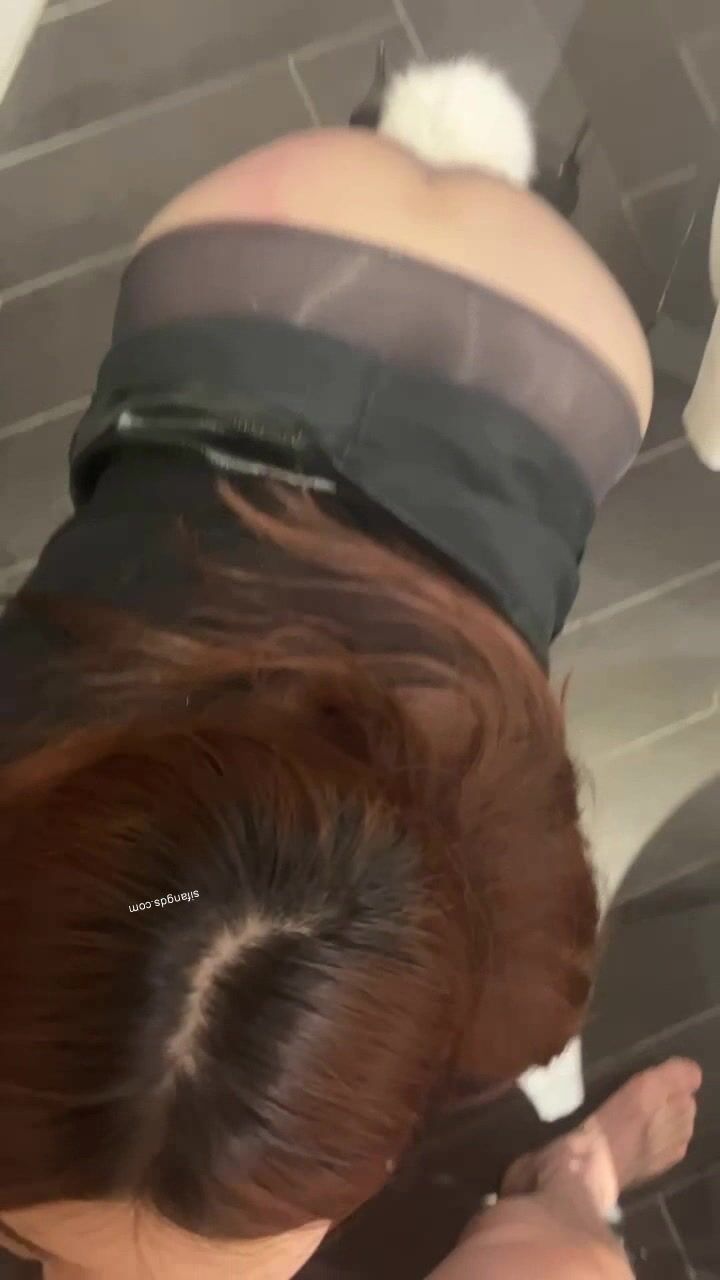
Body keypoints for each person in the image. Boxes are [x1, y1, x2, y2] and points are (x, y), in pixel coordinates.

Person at [0, 58, 663, 1280]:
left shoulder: (514, 942)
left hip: (552, 371)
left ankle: (501, 172)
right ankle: (444, 144)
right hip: (243, 280)